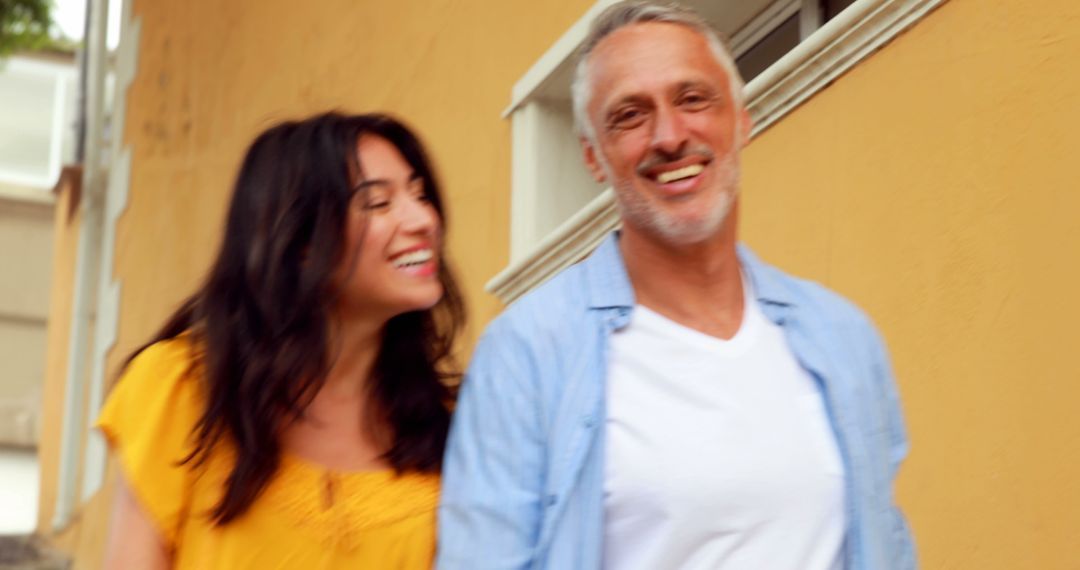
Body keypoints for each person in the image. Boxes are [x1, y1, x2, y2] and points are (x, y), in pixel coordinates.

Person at [437, 2, 913, 569]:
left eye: (692, 99)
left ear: (741, 119)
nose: (668, 136)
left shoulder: (843, 336)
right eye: (630, 115)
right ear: (594, 157)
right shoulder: (526, 355)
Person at [97, 112, 464, 569]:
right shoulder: (182, 387)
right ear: (300, 241)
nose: (423, 219)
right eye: (378, 204)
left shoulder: (453, 430)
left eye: (420, 193)